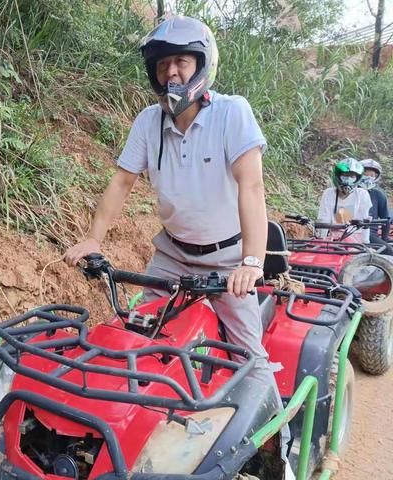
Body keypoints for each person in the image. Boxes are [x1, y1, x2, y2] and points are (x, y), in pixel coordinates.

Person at [64, 15, 292, 470]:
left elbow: (251, 188)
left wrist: (251, 260)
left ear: (202, 65)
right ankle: (133, 431)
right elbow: (122, 181)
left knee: (250, 357)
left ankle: (277, 451)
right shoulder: (150, 122)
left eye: (182, 62)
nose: (172, 72)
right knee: (141, 337)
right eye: (164, 64)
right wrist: (92, 238)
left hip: (229, 258)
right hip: (170, 254)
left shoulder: (232, 112)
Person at [317, 158, 372, 243]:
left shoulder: (362, 194)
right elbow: (324, 219)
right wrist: (321, 239)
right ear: (338, 176)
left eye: (352, 176)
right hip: (333, 238)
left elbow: (365, 222)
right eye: (345, 176)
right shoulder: (329, 193)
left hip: (355, 238)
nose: (348, 179)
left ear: (357, 178)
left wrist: (366, 242)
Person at [359, 158, 393, 255]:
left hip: (370, 234)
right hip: (349, 232)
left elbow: (385, 219)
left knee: (390, 251)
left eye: (372, 175)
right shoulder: (351, 192)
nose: (368, 177)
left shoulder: (378, 194)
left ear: (376, 177)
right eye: (365, 174)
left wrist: (384, 238)